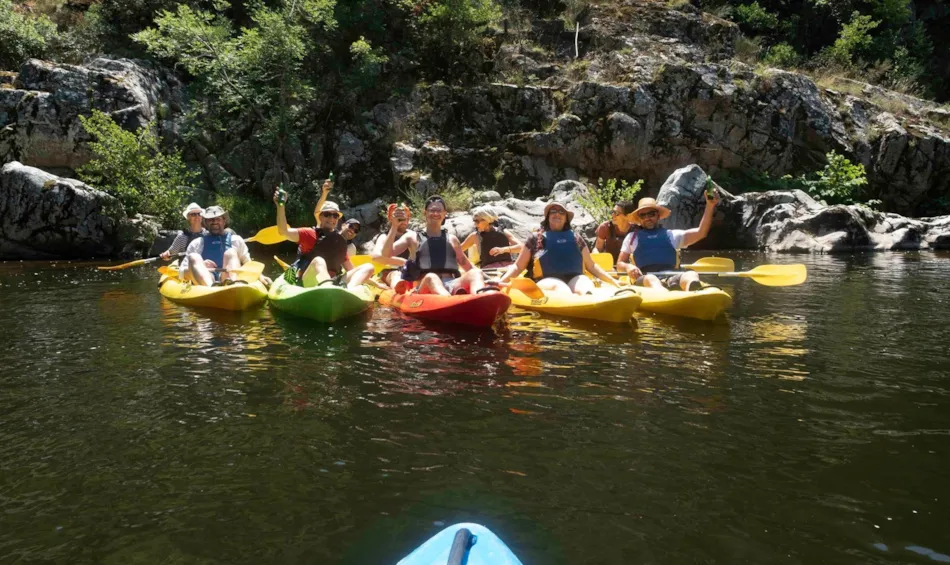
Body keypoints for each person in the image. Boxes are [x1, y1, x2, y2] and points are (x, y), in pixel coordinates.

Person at [498, 202, 620, 296]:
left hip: (575, 277)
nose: (557, 214)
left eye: (561, 212)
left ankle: (589, 302)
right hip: (547, 280)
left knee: (586, 288)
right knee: (561, 289)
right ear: (548, 217)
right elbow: (518, 267)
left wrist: (613, 282)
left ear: (566, 219)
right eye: (553, 211)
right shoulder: (535, 238)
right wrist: (500, 283)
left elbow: (591, 266)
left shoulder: (576, 238)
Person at [273, 179, 374, 289]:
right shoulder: (309, 233)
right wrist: (280, 206)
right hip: (308, 280)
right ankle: (329, 288)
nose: (331, 218)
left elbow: (351, 270)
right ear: (320, 217)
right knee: (319, 261)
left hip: (334, 280)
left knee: (368, 267)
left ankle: (348, 290)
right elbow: (283, 231)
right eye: (327, 214)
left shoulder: (338, 242)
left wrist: (375, 284)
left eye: (335, 216)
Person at [381, 195, 490, 296]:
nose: (435, 213)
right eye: (432, 210)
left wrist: (490, 280)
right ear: (425, 213)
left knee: (475, 273)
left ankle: (481, 298)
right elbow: (386, 254)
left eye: (439, 210)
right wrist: (394, 226)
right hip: (425, 285)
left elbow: (466, 264)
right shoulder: (412, 237)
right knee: (431, 277)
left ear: (444, 214)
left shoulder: (452, 239)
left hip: (451, 283)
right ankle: (449, 301)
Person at [615, 192, 721, 292]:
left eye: (651, 214)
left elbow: (701, 232)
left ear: (658, 215)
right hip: (645, 278)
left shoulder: (671, 235)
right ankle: (665, 295)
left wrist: (710, 205)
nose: (647, 218)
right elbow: (619, 264)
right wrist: (628, 267)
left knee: (691, 274)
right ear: (639, 218)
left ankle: (694, 292)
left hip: (671, 276)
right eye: (643, 215)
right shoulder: (632, 238)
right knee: (651, 279)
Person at [178, 206, 270, 287]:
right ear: (205, 222)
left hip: (228, 278)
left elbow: (248, 263)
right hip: (206, 279)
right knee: (194, 256)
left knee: (230, 252)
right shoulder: (196, 243)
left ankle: (233, 285)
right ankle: (212, 287)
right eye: (211, 219)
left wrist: (261, 276)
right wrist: (200, 266)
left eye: (218, 219)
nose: (214, 222)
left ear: (224, 221)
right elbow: (181, 273)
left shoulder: (236, 240)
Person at [460, 206, 522, 271]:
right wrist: (469, 265)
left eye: (477, 221)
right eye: (474, 221)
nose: (475, 224)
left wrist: (503, 250)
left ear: (487, 220)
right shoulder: (475, 236)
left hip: (508, 268)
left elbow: (521, 247)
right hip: (488, 270)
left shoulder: (504, 232)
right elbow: (457, 251)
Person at [372, 204, 415, 290]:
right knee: (396, 275)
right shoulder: (384, 236)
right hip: (390, 271)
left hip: (410, 271)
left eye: (406, 219)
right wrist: (403, 262)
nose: (403, 222)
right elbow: (376, 257)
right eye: (400, 219)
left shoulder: (412, 235)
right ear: (391, 219)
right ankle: (400, 289)